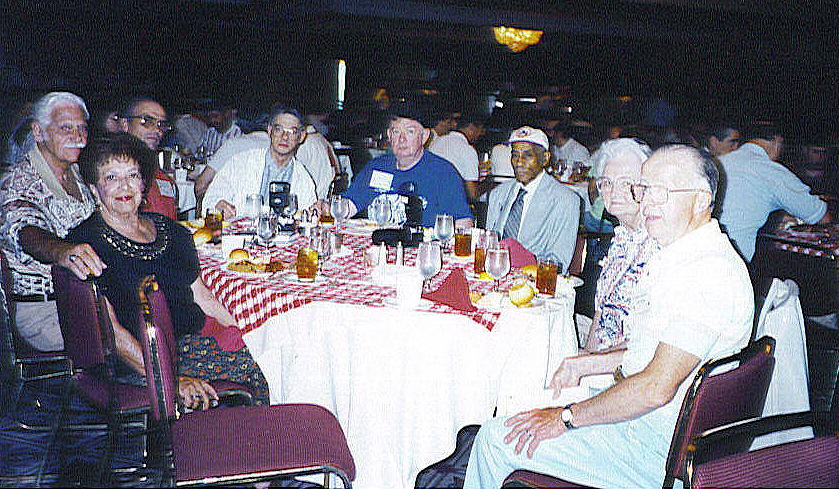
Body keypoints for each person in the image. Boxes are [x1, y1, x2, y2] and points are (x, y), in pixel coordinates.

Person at [464, 144, 753, 488]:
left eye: (661, 192)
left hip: (651, 448)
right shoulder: (683, 256)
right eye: (644, 190)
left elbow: (656, 388)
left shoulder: (708, 274)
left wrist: (567, 418)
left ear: (702, 200)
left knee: (495, 438)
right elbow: (652, 350)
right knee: (524, 394)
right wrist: (587, 363)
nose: (646, 203)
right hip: (645, 421)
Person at [66, 132, 269, 406]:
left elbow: (203, 298)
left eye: (133, 176)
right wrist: (169, 379)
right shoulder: (86, 245)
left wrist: (253, 332)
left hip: (191, 345)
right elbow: (112, 334)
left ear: (143, 182)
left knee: (272, 355)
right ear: (94, 188)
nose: (124, 186)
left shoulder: (171, 232)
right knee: (261, 372)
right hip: (140, 363)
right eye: (112, 177)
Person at [0, 91, 105, 351]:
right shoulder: (17, 181)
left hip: (85, 297)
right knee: (124, 332)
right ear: (38, 132)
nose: (79, 138)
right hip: (44, 309)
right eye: (66, 128)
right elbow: (26, 232)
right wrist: (63, 251)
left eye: (82, 128)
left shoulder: (77, 174)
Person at [322, 107, 473, 229]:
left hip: (421, 253)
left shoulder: (443, 173)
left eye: (410, 131)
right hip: (379, 251)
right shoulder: (376, 167)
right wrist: (326, 207)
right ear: (389, 135)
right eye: (396, 131)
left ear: (425, 136)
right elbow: (348, 206)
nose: (402, 139)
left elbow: (463, 223)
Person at [583, 138, 658, 351]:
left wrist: (587, 364)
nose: (613, 192)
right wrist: (587, 355)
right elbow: (601, 313)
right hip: (602, 358)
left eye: (626, 183)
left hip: (630, 368)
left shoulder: (657, 245)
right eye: (607, 182)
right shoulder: (621, 238)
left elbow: (647, 344)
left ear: (645, 187)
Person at [718, 121, 830, 262]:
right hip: (735, 263)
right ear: (778, 141)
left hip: (703, 254)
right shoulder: (771, 170)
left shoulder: (719, 162)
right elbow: (821, 216)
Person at [202, 105, 333, 218]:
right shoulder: (240, 163)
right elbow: (210, 201)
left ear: (301, 136)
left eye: (292, 132)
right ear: (270, 130)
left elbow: (308, 219)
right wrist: (218, 207)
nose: (284, 137)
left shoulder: (303, 179)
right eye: (279, 129)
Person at [485, 126, 579, 272]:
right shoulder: (498, 194)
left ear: (545, 158)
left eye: (528, 155)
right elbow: (489, 244)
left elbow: (558, 261)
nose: (519, 162)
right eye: (515, 155)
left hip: (535, 282)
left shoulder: (565, 201)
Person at [118, 96, 178, 219]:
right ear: (125, 124)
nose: (157, 130)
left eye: (161, 124)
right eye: (147, 121)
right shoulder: (112, 173)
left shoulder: (164, 179)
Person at [428, 112, 485, 202]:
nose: (479, 135)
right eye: (479, 131)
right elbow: (472, 194)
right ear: (472, 127)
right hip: (450, 205)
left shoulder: (437, 141)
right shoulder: (467, 149)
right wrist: (488, 186)